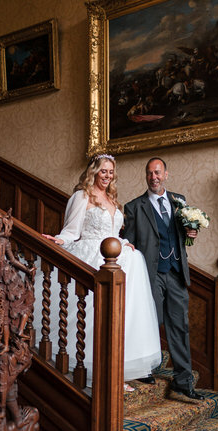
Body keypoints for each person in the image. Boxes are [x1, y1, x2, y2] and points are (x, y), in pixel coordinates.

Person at [41, 154, 162, 392]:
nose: (107, 176)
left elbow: (113, 230)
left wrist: (123, 242)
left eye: (110, 172)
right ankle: (94, 370)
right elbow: (71, 231)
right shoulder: (81, 196)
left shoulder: (112, 199)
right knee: (94, 315)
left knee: (122, 315)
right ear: (94, 172)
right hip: (92, 256)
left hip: (120, 259)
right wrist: (59, 240)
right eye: (103, 171)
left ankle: (118, 371)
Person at [123, 157, 204, 400]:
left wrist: (192, 232)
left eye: (158, 172)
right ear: (146, 176)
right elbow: (128, 244)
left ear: (165, 174)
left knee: (180, 326)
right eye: (149, 173)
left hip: (177, 272)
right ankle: (142, 368)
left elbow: (184, 236)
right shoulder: (134, 207)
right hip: (150, 274)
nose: (154, 177)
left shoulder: (180, 202)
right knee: (149, 321)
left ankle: (183, 381)